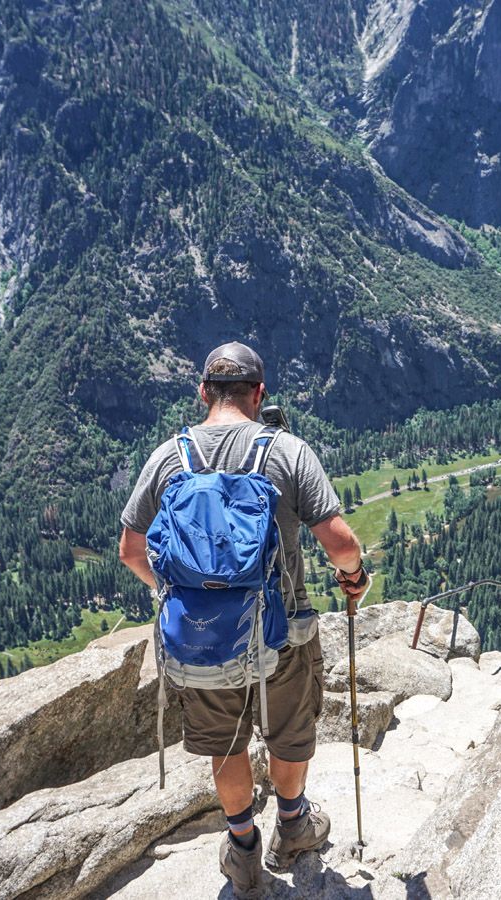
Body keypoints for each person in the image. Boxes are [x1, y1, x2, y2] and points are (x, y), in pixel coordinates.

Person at [118, 341, 369, 896]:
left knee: (226, 746)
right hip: (285, 632)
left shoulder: (168, 458)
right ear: (259, 394)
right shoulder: (286, 451)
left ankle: (243, 850)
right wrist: (354, 577)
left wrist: (183, 598)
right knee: (289, 736)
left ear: (203, 393)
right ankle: (295, 825)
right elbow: (341, 543)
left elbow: (131, 553)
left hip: (202, 641)